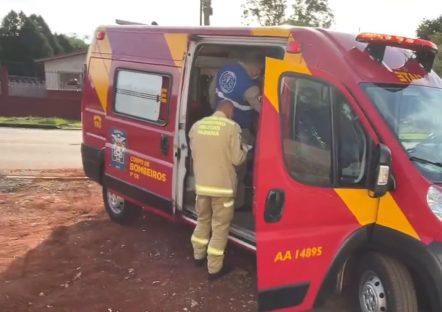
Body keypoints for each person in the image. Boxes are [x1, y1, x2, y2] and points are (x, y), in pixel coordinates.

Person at [189, 100, 250, 281]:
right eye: (233, 111)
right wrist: (245, 149)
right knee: (219, 227)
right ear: (229, 110)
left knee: (202, 221)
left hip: (202, 186)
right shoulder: (232, 127)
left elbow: (194, 153)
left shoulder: (197, 126)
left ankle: (198, 256)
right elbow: (237, 159)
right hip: (222, 189)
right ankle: (214, 269)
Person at [209, 51, 264, 209]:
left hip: (219, 124)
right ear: (254, 67)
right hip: (239, 131)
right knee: (237, 167)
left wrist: (217, 113)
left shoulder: (224, 69)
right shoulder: (250, 86)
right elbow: (264, 109)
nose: (258, 73)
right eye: (259, 70)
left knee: (221, 164)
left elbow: (212, 93)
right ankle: (235, 204)